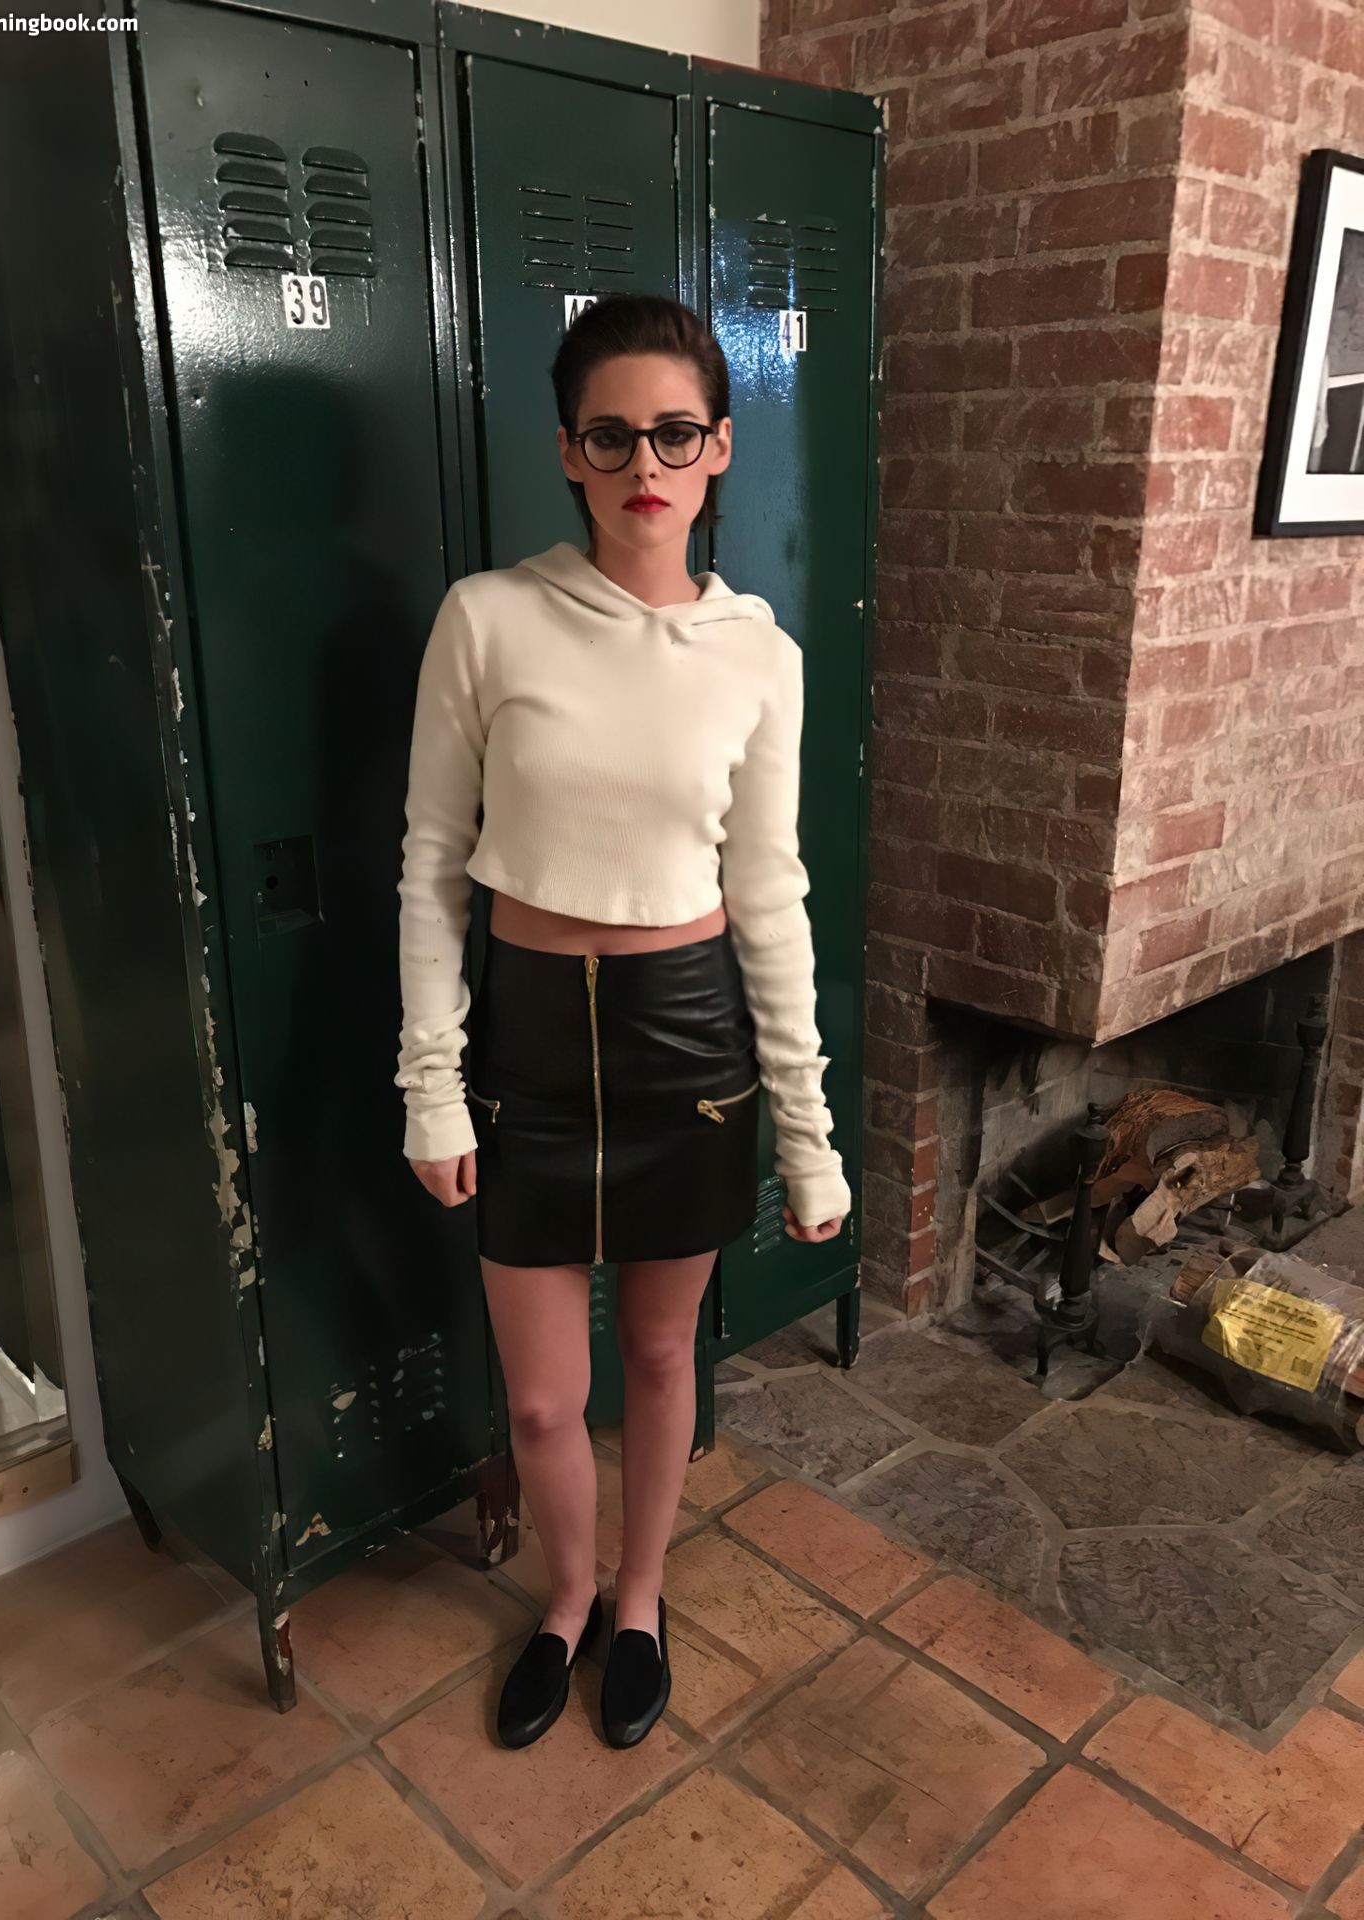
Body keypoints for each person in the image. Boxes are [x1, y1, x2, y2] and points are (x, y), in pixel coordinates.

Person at [394, 292, 852, 1752]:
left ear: (719, 448)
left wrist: (810, 1133)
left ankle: (641, 1599)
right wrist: (430, 1082)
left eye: (674, 433)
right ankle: (566, 1596)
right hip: (526, 1043)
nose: (643, 464)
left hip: (687, 1045)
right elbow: (432, 864)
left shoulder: (760, 656)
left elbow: (769, 895)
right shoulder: (487, 619)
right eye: (611, 436)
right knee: (542, 1406)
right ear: (568, 451)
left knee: (662, 1364)